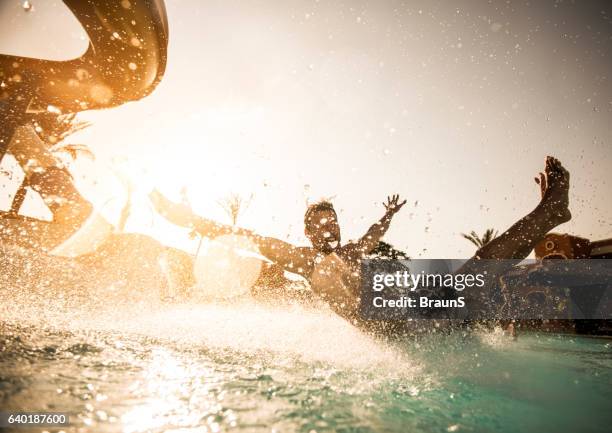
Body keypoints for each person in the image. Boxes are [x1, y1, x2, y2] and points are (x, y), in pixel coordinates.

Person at [150, 156, 572, 330]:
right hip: (401, 328)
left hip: (416, 311)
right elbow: (247, 237)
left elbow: (373, 237)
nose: (328, 229)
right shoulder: (301, 258)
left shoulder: (351, 251)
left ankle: (548, 214)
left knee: (479, 266)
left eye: (332, 221)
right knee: (480, 274)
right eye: (319, 224)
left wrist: (387, 216)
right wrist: (186, 219)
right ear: (307, 233)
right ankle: (549, 215)